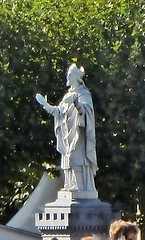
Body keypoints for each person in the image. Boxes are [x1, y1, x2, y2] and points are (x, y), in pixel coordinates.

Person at [36, 63, 99, 194]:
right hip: (67, 135)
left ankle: (80, 186)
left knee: (77, 160)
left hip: (78, 134)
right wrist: (45, 105)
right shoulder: (67, 96)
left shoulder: (83, 94)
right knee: (68, 161)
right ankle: (71, 184)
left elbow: (86, 112)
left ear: (76, 77)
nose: (67, 77)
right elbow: (58, 112)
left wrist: (76, 102)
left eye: (70, 75)